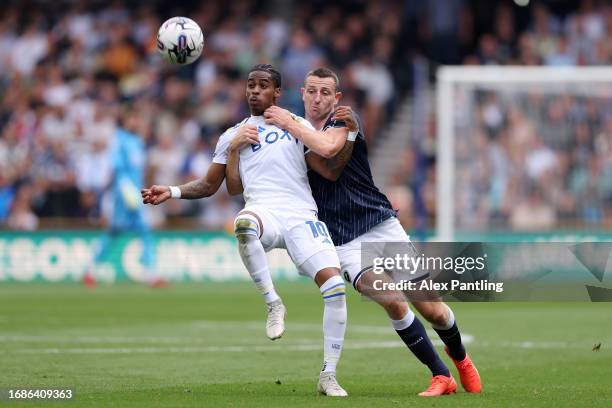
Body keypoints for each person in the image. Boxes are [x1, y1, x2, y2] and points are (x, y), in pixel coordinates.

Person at [261, 68, 482, 397]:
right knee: (391, 301)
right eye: (312, 91)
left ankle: (462, 358)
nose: (318, 98)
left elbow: (326, 150)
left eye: (325, 92)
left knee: (431, 307)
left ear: (336, 98)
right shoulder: (291, 135)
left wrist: (289, 123)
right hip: (344, 239)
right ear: (303, 94)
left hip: (380, 224)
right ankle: (441, 374)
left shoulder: (343, 122)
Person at [143, 64, 353, 397]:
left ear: (277, 92)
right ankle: (273, 303)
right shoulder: (232, 135)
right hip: (263, 208)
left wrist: (345, 135)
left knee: (335, 288)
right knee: (243, 223)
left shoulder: (295, 123)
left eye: (263, 85)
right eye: (250, 85)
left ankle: (328, 375)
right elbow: (221, 186)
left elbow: (328, 169)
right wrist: (175, 189)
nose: (254, 91)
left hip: (301, 213)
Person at [84, 104, 166, 288]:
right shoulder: (119, 139)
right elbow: (117, 169)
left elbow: (138, 170)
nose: (136, 122)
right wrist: (126, 190)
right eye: (133, 118)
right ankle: (90, 270)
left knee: (142, 230)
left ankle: (151, 274)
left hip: (136, 193)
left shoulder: (137, 141)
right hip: (124, 195)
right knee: (116, 231)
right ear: (125, 120)